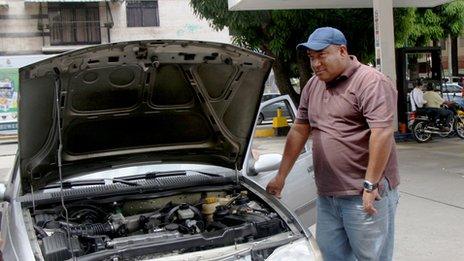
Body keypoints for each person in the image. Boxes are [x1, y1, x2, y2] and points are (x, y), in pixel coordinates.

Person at [266, 27, 399, 261]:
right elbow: (299, 130)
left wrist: (370, 184)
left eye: (322, 55)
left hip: (365, 194)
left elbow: (382, 133)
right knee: (330, 256)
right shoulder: (313, 86)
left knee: (372, 258)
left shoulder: (370, 82)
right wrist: (281, 176)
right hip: (328, 196)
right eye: (311, 58)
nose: (316, 64)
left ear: (342, 51)